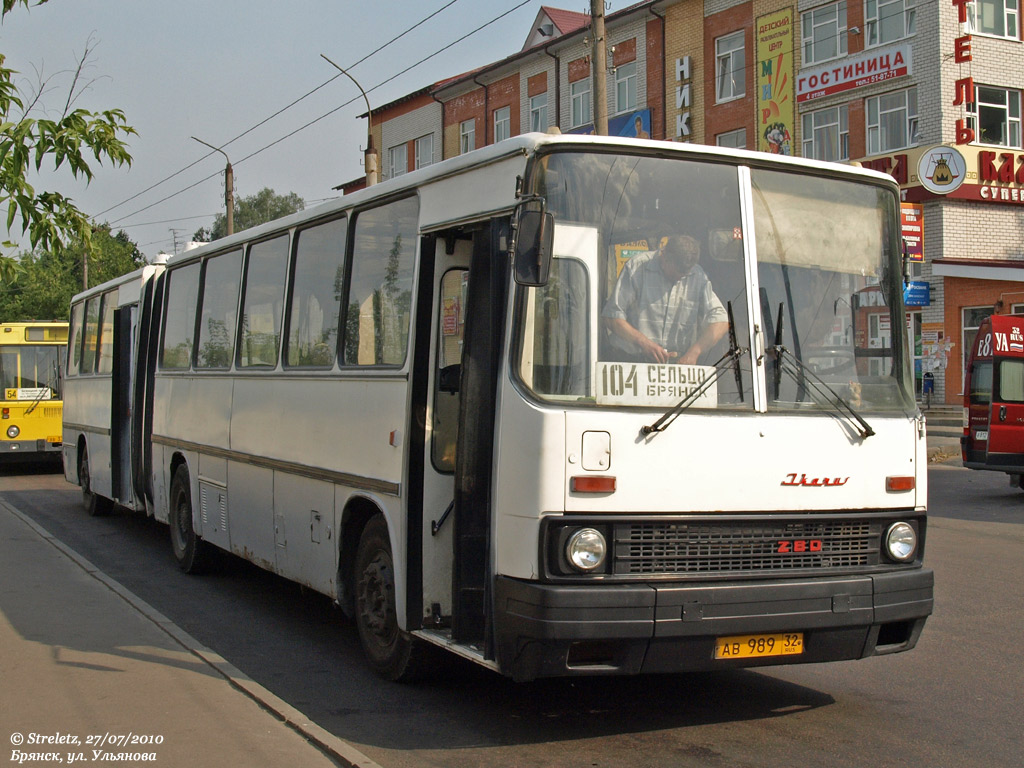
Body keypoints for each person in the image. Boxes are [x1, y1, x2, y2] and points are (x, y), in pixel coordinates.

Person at [602, 234, 728, 364]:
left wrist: (695, 351)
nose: (679, 280)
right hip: (632, 362)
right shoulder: (637, 267)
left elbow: (721, 321)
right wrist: (644, 343)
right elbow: (611, 317)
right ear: (664, 256)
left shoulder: (697, 276)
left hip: (676, 367)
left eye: (683, 276)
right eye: (674, 274)